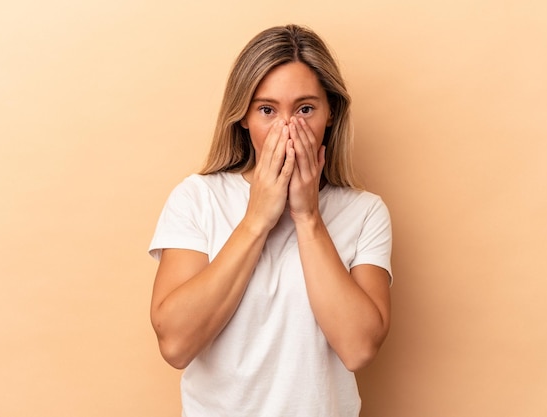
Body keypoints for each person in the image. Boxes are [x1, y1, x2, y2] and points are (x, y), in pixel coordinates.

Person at [148, 24, 393, 417]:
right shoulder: (197, 199)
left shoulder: (365, 212)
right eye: (267, 110)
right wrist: (256, 219)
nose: (288, 129)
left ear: (330, 114)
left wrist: (308, 216)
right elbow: (175, 345)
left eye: (305, 109)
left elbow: (359, 348)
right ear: (243, 117)